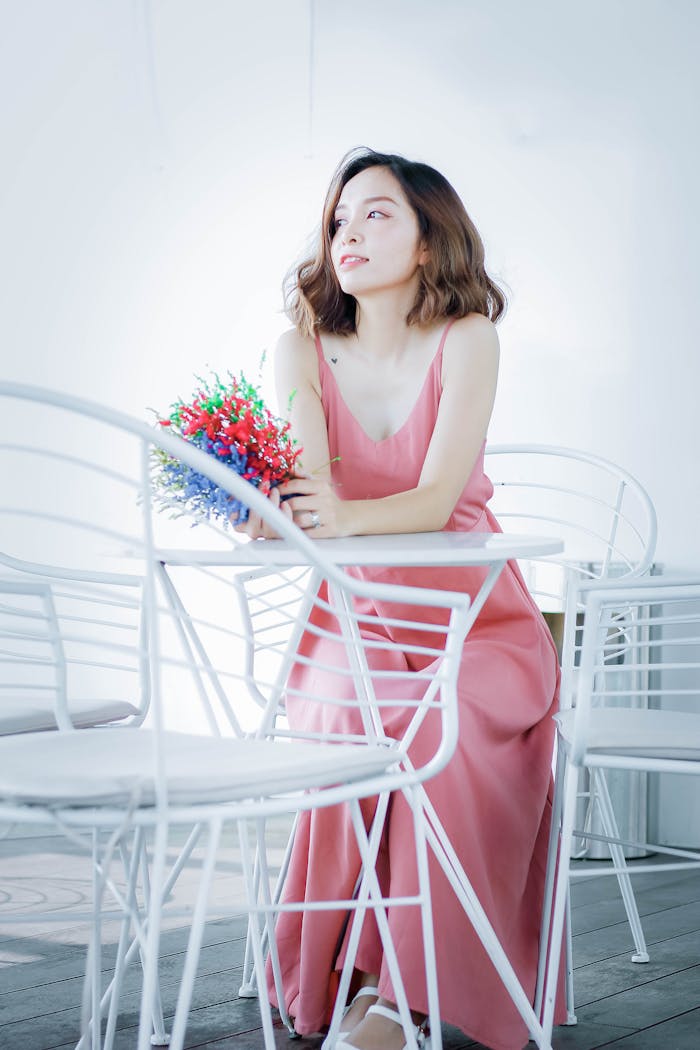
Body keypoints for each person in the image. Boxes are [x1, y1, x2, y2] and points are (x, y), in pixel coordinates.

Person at [238, 148, 562, 1050]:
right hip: (356, 610)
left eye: (377, 215)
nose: (349, 233)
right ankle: (351, 973)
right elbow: (308, 495)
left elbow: (432, 498)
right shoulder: (297, 348)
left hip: (477, 617)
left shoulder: (469, 338)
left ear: (428, 240)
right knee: (349, 723)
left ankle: (397, 998)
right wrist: (272, 512)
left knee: (444, 735)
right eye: (340, 218)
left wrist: (329, 512)